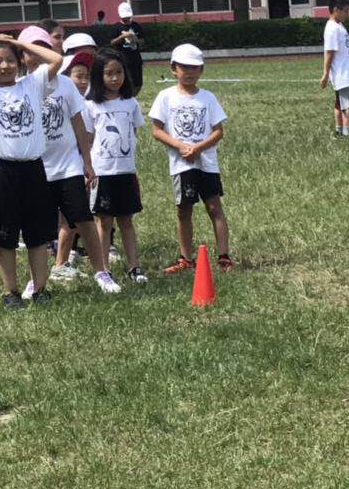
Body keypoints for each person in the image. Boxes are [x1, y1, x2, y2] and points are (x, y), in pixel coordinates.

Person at [28, 32, 117, 295]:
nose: (37, 57)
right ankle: (36, 280)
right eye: (31, 52)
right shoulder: (21, 86)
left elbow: (78, 123)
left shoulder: (65, 84)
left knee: (83, 219)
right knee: (38, 229)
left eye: (42, 50)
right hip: (37, 169)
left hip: (68, 166)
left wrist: (86, 162)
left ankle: (101, 272)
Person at [149, 45, 231, 275]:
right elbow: (157, 130)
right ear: (173, 69)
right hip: (181, 164)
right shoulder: (166, 96)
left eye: (194, 67)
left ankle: (224, 256)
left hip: (206, 163)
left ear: (201, 70)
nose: (189, 72)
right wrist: (180, 146)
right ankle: (186, 258)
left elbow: (218, 131)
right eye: (184, 67)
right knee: (184, 210)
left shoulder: (208, 98)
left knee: (214, 207)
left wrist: (198, 147)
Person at [0, 30, 63, 310]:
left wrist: (18, 42)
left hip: (34, 168)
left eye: (10, 60)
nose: (4, 66)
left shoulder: (31, 84)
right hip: (3, 171)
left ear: (20, 61)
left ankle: (40, 288)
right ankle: (10, 291)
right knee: (5, 236)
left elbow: (56, 59)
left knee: (37, 234)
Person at [87, 48, 147, 285]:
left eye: (119, 72)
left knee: (126, 221)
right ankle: (104, 269)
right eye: (108, 73)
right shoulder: (91, 106)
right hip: (102, 173)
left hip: (125, 171)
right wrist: (88, 169)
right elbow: (88, 139)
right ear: (98, 76)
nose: (114, 78)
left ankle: (134, 267)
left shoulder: (131, 103)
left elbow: (133, 132)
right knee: (104, 222)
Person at [321, 0, 349, 137]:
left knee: (339, 103)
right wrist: (325, 74)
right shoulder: (332, 28)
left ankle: (339, 130)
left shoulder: (339, 26)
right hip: (342, 75)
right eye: (346, 11)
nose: (347, 14)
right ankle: (346, 131)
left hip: (346, 72)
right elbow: (329, 52)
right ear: (336, 9)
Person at [111, 2, 143, 94]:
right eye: (124, 17)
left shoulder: (136, 26)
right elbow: (112, 42)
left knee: (138, 83)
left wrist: (135, 39)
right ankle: (125, 96)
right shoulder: (116, 27)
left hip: (136, 59)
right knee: (125, 82)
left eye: (128, 17)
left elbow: (143, 40)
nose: (126, 19)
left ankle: (132, 96)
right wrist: (122, 37)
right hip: (122, 60)